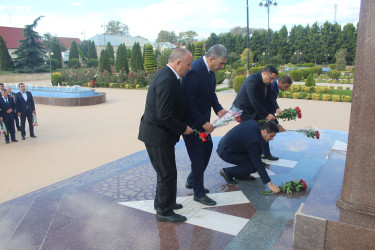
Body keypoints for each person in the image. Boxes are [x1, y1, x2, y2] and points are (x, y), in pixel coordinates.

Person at [138, 48, 193, 223]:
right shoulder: (167, 79)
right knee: (167, 173)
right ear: (178, 63)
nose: (189, 68)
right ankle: (164, 211)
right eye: (188, 64)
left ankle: (164, 202)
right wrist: (183, 128)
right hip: (157, 135)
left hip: (159, 134)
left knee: (165, 172)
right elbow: (164, 115)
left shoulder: (170, 76)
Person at [181, 44, 228, 206]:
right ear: (212, 58)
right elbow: (188, 102)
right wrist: (202, 122)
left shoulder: (210, 71)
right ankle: (198, 193)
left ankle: (191, 180)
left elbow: (210, 93)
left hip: (204, 122)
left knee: (207, 149)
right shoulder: (194, 70)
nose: (222, 67)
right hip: (192, 124)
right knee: (198, 156)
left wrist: (219, 109)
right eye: (221, 64)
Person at [217, 120, 280, 194]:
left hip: (232, 147)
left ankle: (241, 175)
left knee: (255, 164)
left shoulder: (256, 125)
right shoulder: (253, 140)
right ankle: (227, 172)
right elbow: (257, 161)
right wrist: (269, 183)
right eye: (271, 136)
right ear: (264, 131)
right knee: (253, 167)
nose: (272, 139)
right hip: (226, 152)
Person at [232, 65, 279, 160]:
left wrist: (277, 108)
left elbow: (270, 97)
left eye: (274, 79)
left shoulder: (267, 82)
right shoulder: (252, 81)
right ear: (264, 73)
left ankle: (266, 153)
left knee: (265, 129)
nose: (272, 81)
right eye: (271, 78)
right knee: (249, 134)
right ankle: (246, 157)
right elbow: (254, 101)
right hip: (244, 111)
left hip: (255, 109)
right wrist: (266, 115)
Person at [261, 75, 293, 160]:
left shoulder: (275, 86)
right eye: (286, 86)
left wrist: (276, 109)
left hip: (265, 112)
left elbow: (272, 102)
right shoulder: (272, 87)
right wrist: (277, 124)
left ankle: (264, 153)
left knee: (264, 133)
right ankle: (265, 154)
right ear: (279, 82)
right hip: (262, 112)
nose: (286, 89)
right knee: (265, 132)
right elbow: (270, 103)